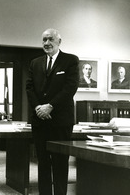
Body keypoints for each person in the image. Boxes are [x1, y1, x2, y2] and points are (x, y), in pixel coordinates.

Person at [26, 28, 79, 195]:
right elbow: (29, 88)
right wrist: (37, 108)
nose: (47, 43)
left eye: (50, 39)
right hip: (40, 121)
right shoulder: (35, 63)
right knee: (42, 162)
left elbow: (70, 87)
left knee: (60, 162)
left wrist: (50, 106)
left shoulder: (70, 60)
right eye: (44, 40)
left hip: (61, 121)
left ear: (59, 42)